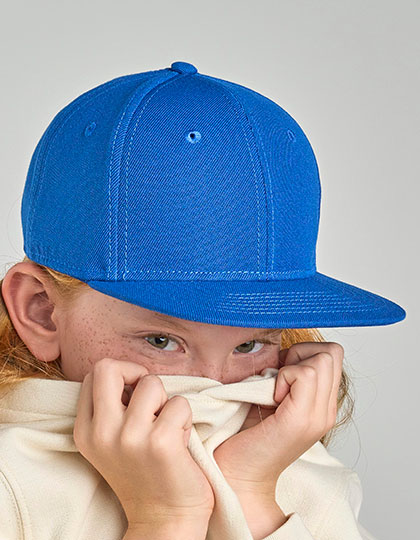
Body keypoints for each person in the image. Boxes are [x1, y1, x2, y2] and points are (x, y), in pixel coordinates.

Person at [0, 60, 405, 540]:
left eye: (249, 345)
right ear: (41, 311)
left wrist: (251, 493)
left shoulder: (301, 478)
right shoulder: (11, 487)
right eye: (161, 340)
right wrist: (165, 519)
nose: (212, 387)